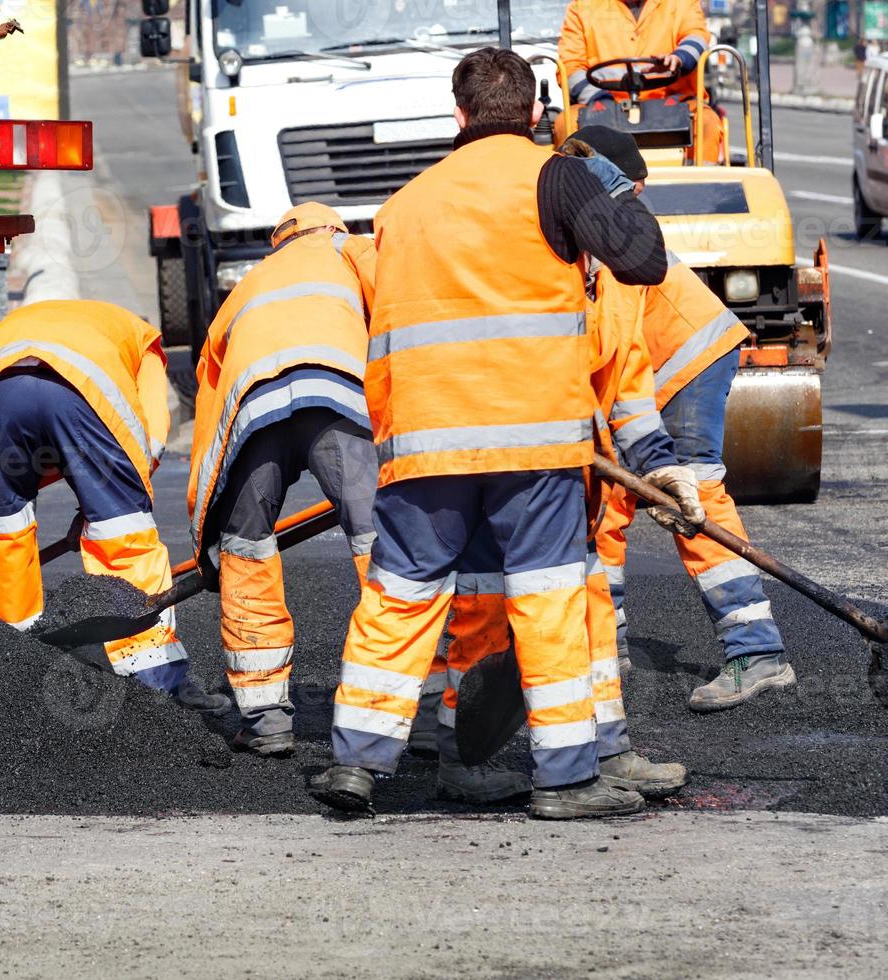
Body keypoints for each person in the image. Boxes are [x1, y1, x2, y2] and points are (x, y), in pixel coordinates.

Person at [308, 47, 693, 820]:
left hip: (424, 441)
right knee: (548, 599)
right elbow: (644, 262)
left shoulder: (404, 205)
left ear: (457, 114)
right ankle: (567, 778)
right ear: (536, 111)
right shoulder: (553, 175)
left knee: (400, 595)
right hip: (531, 441)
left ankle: (356, 762)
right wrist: (613, 184)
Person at [431, 129, 695, 806]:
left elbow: (626, 381)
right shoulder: (512, 264)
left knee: (587, 607)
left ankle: (605, 751)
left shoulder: (611, 283)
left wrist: (659, 466)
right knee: (484, 613)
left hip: (561, 473)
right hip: (486, 459)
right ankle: (464, 759)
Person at [565, 129, 795, 712]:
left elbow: (618, 356)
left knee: (694, 495)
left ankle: (758, 651)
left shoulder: (606, 235)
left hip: (687, 361)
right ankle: (604, 646)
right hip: (660, 368)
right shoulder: (591, 224)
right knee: (606, 503)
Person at [187, 202, 391, 756]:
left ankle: (265, 721)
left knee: (245, 548)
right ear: (333, 228)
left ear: (279, 240)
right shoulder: (355, 251)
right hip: (340, 400)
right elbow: (402, 323)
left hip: (253, 412)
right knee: (385, 548)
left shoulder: (250, 280)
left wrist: (206, 527)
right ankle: (404, 715)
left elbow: (209, 394)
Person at [0, 299, 228, 711]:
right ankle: (157, 685)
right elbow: (151, 436)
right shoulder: (144, 341)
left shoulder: (16, 323)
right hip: (77, 393)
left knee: (5, 530)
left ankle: (12, 671)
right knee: (124, 535)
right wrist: (107, 503)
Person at [559, 0, 720, 162]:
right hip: (601, 104)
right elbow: (570, 65)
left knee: (707, 122)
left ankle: (702, 182)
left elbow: (696, 36)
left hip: (674, 102)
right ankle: (574, 183)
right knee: (565, 123)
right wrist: (599, 100)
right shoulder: (583, 7)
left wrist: (679, 59)